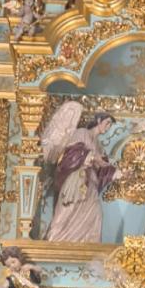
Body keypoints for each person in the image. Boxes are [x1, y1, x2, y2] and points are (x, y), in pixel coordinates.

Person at [42, 104, 118, 243]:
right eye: (107, 123)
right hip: (77, 178)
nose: (107, 128)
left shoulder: (99, 145)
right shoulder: (81, 133)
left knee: (95, 213)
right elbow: (71, 153)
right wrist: (91, 157)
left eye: (110, 126)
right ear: (99, 120)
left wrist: (114, 171)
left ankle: (90, 243)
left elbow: (101, 167)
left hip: (91, 184)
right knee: (69, 209)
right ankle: (55, 238)